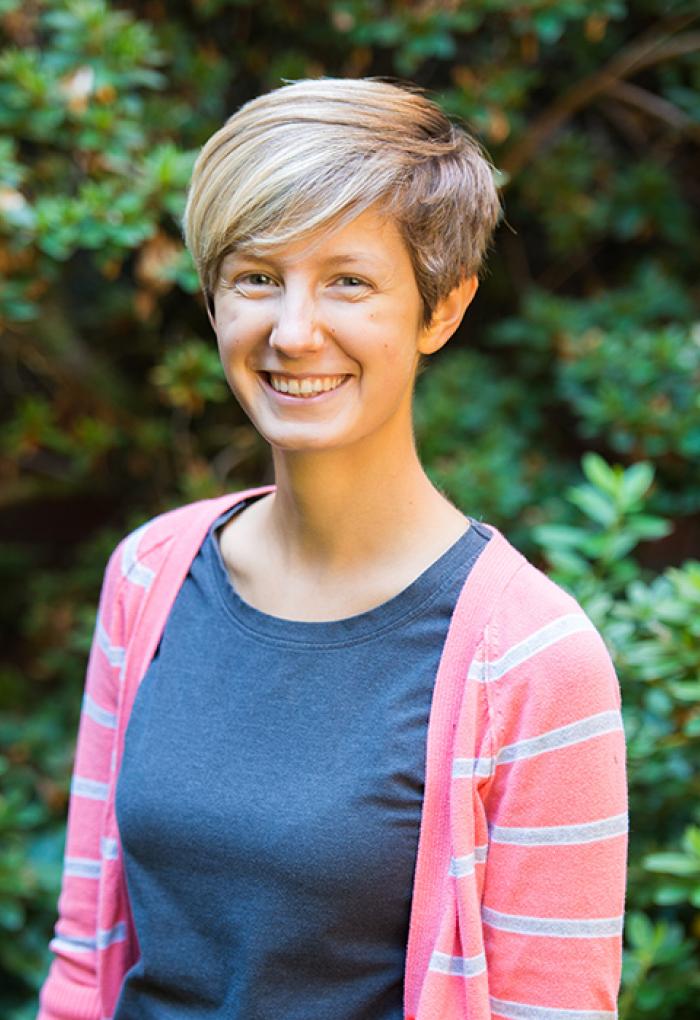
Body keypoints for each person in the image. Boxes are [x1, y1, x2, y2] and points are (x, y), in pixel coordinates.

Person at [37, 77, 628, 1020]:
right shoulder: (149, 575)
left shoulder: (532, 660)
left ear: (442, 310)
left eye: (349, 281)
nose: (294, 331)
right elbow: (85, 959)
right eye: (258, 277)